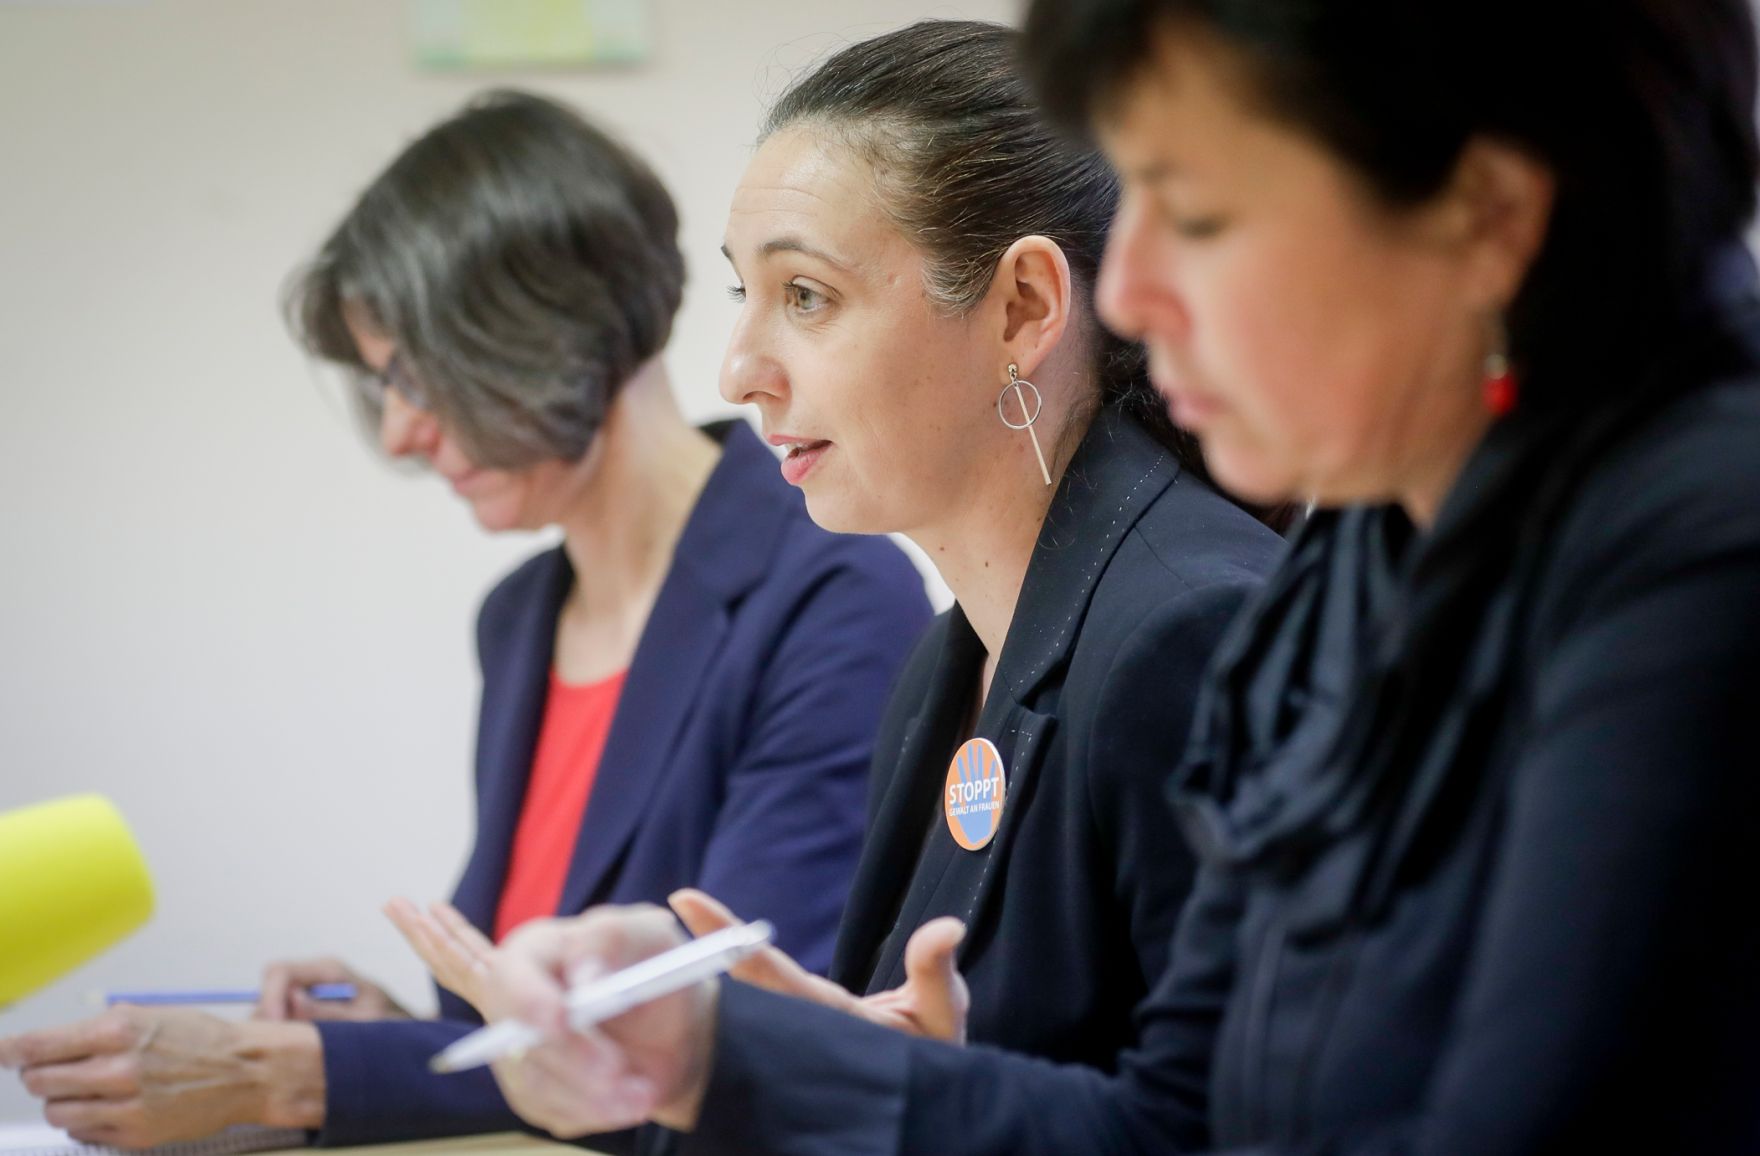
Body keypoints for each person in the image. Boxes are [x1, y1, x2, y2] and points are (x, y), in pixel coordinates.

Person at [457, 0, 1760, 1151]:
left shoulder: (1698, 542)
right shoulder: (1358, 554)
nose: (1126, 292)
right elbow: (1180, 1118)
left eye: (1195, 214)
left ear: (1489, 210)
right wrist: (715, 1050)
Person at [0, 90, 930, 1148]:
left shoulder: (831, 592)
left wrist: (292, 1076)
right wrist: (394, 1031)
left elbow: (721, 1036)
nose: (399, 431)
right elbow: (521, 1037)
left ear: (548, 329)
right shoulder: (521, 618)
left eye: (413, 373)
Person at [398, 17, 1282, 1090]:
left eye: (805, 297)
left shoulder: (1195, 630)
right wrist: (809, 1056)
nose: (737, 371)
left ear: (1023, 309)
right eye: (744, 295)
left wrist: (855, 1089)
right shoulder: (941, 670)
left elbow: (1232, 1124)